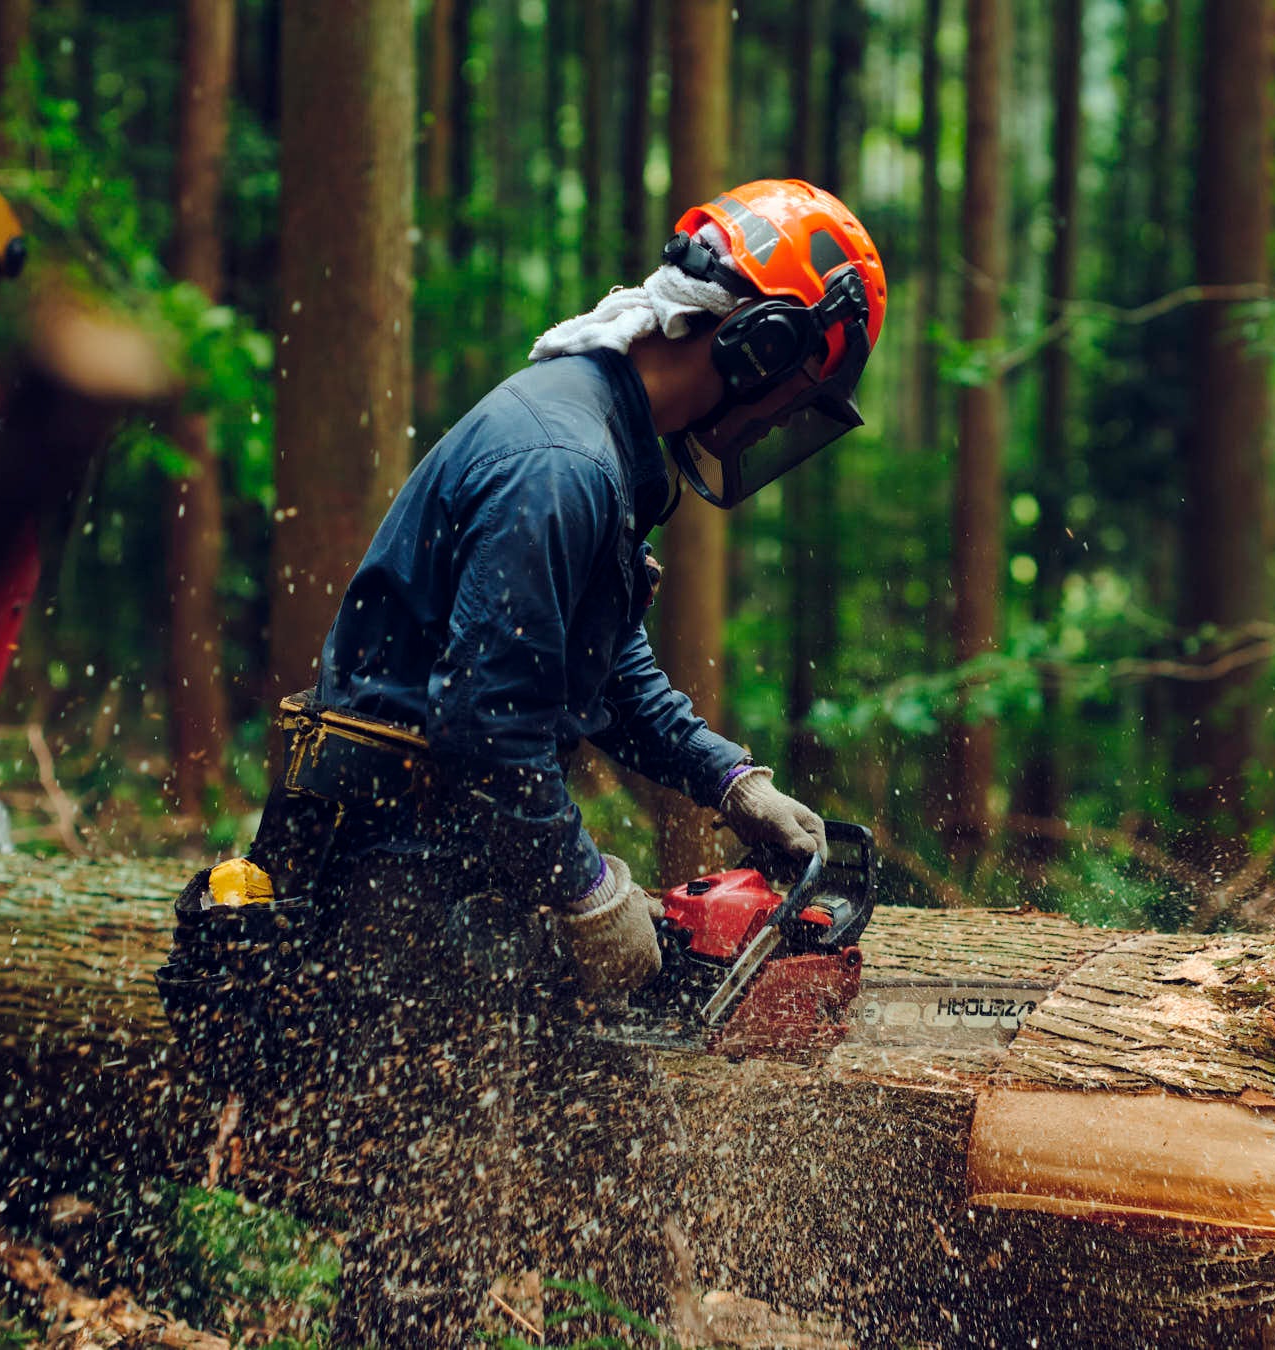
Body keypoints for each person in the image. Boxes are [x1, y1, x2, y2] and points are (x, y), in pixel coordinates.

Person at [194, 178, 886, 1343]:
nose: (779, 422)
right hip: (410, 885)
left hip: (464, 866)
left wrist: (735, 783)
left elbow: (608, 673)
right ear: (760, 346)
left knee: (617, 1163)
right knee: (429, 1241)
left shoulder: (600, 439)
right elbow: (486, 733)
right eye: (792, 394)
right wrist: (586, 893)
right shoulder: (559, 463)